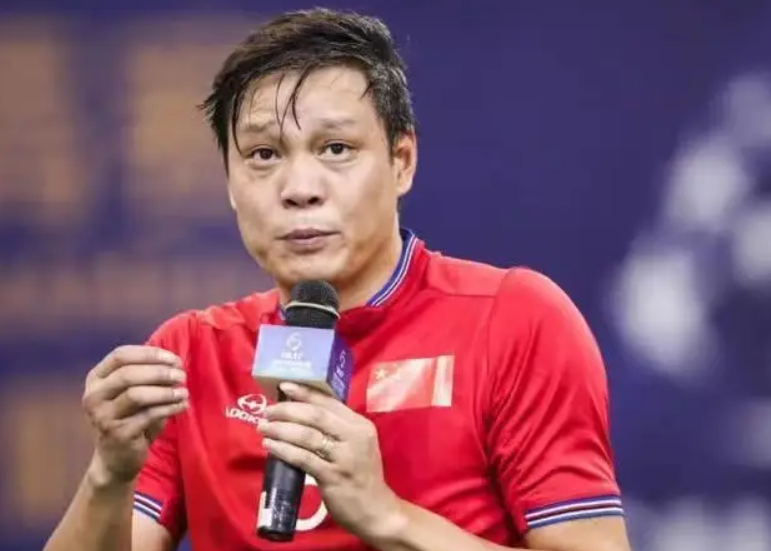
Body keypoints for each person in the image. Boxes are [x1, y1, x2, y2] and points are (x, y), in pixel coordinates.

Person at [44, 8, 631, 551]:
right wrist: (108, 474)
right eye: (263, 155)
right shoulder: (190, 356)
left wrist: (388, 517)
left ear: (402, 162)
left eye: (335, 148)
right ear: (229, 184)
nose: (300, 189)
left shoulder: (514, 320)